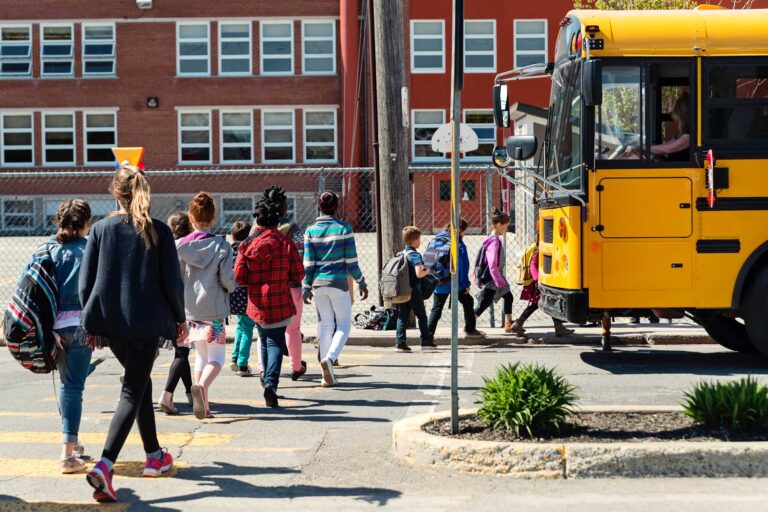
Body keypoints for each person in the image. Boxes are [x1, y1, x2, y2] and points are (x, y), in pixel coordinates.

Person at [81, 164, 186, 503]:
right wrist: (180, 319)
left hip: (111, 323)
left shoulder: (100, 229)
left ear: (115, 193)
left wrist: (92, 322)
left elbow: (87, 283)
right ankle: (105, 464)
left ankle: (154, 455)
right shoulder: (159, 231)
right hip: (146, 323)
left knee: (139, 383)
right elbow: (172, 282)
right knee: (131, 389)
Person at [235, 186, 304, 407]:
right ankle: (271, 384)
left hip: (257, 303)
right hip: (280, 301)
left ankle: (266, 378)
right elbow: (298, 273)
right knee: (274, 342)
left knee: (264, 339)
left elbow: (239, 276)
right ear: (277, 220)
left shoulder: (247, 245)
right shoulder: (286, 243)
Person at [176, 192, 237, 420]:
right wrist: (232, 288)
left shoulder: (179, 246)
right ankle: (201, 388)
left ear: (191, 217)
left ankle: (204, 405)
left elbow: (176, 278)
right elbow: (227, 280)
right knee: (218, 358)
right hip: (214, 309)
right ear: (213, 218)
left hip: (191, 310)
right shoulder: (222, 245)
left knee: (201, 356)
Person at [46, 199, 93, 474]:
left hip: (53, 327)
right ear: (85, 223)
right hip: (81, 325)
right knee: (73, 386)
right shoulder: (89, 249)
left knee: (68, 384)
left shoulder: (48, 248)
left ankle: (72, 441)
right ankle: (66, 454)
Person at [303, 192, 368, 386]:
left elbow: (308, 263)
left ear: (319, 207)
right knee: (343, 325)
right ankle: (330, 359)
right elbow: (351, 262)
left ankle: (325, 376)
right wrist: (361, 282)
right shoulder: (344, 229)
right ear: (336, 207)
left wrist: (306, 286)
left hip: (318, 285)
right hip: (338, 283)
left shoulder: (310, 230)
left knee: (325, 326)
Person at [157, 211, 195, 414]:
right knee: (182, 352)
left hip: (168, 303)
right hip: (186, 305)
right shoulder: (190, 247)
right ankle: (167, 394)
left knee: (183, 352)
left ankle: (190, 393)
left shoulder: (167, 247)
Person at [427, 219, 484, 339]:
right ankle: (470, 330)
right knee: (468, 302)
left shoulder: (437, 239)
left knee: (436, 309)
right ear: (460, 231)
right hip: (455, 282)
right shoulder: (458, 244)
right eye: (464, 231)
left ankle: (427, 336)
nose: (465, 234)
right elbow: (462, 267)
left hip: (439, 280)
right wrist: (465, 284)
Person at [509, 243, 574, 338]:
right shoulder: (540, 251)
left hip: (541, 283)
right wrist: (537, 281)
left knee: (544, 303)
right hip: (539, 284)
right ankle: (558, 327)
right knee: (545, 303)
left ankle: (518, 324)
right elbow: (533, 266)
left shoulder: (541, 250)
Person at [395, 226, 436, 352]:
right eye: (419, 239)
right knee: (422, 316)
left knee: (402, 316)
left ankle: (400, 343)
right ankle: (426, 341)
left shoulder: (401, 253)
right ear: (414, 241)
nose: (420, 242)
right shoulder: (414, 255)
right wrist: (428, 270)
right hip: (414, 291)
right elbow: (419, 274)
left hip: (403, 291)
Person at [474, 209, 514, 332]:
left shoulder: (493, 238)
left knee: (508, 297)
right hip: (494, 277)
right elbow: (492, 264)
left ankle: (509, 324)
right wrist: (499, 281)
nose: (506, 230)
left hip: (496, 276)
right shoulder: (494, 241)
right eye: (505, 227)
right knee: (485, 302)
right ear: (499, 225)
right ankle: (470, 323)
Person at [279, 212, 308, 381]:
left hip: (268, 286)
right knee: (293, 329)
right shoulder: (295, 230)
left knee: (264, 331)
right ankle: (296, 366)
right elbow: (301, 254)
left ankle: (263, 370)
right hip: (292, 285)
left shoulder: (260, 228)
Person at [229, 220, 257, 377]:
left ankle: (235, 356)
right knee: (247, 328)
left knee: (241, 325)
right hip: (247, 294)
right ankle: (243, 364)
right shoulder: (248, 250)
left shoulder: (229, 251)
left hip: (233, 295)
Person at [626, 93, 690, 161]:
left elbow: (668, 148)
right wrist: (645, 149)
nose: (675, 120)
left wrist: (642, 147)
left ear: (682, 116)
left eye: (677, 116)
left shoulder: (688, 137)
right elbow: (665, 146)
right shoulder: (681, 135)